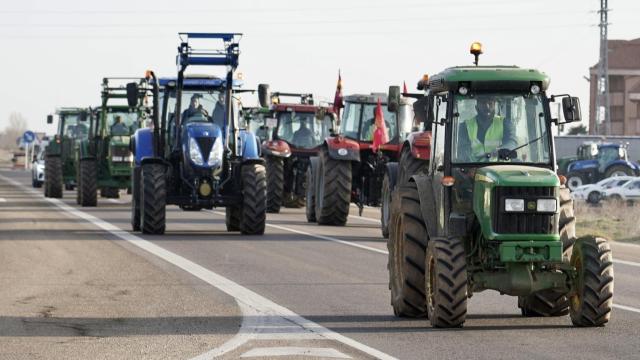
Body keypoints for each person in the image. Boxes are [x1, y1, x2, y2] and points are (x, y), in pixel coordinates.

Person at [457, 96, 517, 162]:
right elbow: (462, 152)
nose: (487, 107)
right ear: (476, 107)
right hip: (474, 169)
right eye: (483, 103)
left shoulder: (505, 124)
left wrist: (500, 150)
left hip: (501, 169)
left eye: (490, 103)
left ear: (495, 106)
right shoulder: (465, 126)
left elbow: (511, 142)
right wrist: (468, 166)